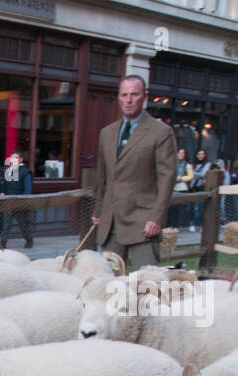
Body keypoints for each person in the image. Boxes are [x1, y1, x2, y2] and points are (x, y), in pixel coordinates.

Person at [91, 75, 176, 269]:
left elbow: (167, 179)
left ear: (144, 96)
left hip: (143, 222)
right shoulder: (107, 132)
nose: (128, 101)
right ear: (119, 97)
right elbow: (103, 177)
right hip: (110, 220)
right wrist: (98, 211)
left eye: (134, 95)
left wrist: (156, 218)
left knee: (145, 285)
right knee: (105, 282)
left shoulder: (161, 132)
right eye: (124, 95)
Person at [0, 151, 34, 248]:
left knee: (22, 223)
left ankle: (29, 240)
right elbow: (5, 185)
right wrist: (2, 192)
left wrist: (23, 200)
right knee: (6, 223)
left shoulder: (25, 171)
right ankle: (3, 242)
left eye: (16, 157)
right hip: (8, 200)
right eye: (12, 157)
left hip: (19, 201)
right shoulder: (9, 170)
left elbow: (28, 188)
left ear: (21, 159)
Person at [188, 147, 214, 231]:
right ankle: (191, 222)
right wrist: (194, 174)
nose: (201, 156)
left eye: (202, 154)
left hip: (201, 188)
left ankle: (196, 224)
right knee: (190, 207)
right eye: (199, 154)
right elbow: (190, 174)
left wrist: (193, 174)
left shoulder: (208, 164)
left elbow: (203, 174)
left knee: (199, 207)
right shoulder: (192, 164)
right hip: (192, 187)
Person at [168, 148, 194, 229]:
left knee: (180, 208)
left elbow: (190, 176)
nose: (181, 154)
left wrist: (181, 178)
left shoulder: (187, 165)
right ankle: (169, 225)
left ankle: (177, 225)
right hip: (172, 187)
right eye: (179, 153)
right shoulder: (172, 163)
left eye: (183, 153)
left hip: (182, 187)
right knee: (171, 208)